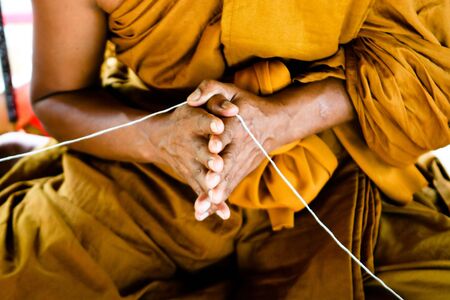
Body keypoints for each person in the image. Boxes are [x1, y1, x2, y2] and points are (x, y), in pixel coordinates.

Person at [0, 0, 449, 299]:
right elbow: (56, 96)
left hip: (346, 159)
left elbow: (437, 69)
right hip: (157, 170)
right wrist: (159, 139)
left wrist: (285, 118)